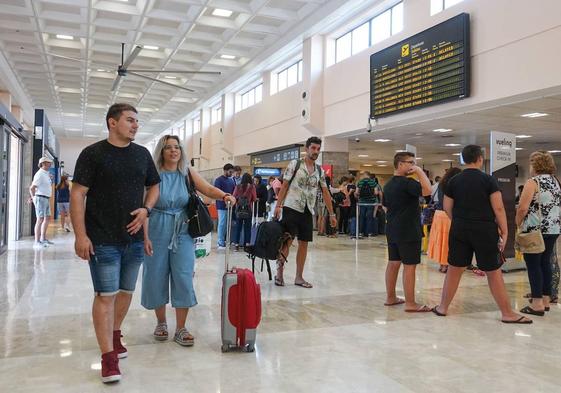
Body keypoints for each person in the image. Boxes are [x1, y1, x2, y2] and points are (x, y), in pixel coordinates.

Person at [70, 103, 161, 383]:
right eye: (130, 120)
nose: (135, 125)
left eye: (137, 121)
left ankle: (115, 332)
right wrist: (80, 235)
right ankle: (108, 357)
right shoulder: (93, 154)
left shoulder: (142, 154)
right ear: (112, 122)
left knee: (125, 291)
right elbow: (77, 195)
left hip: (133, 239)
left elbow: (153, 186)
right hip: (102, 238)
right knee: (105, 295)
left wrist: (146, 209)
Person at [142, 135, 236, 347]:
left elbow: (208, 189)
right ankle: (161, 322)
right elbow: (144, 205)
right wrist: (144, 236)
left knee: (183, 275)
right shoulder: (152, 174)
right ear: (161, 151)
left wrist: (225, 195)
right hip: (156, 227)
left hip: (182, 229)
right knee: (156, 275)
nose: (173, 151)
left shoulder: (187, 172)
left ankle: (181, 327)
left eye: (177, 147)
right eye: (168, 148)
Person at [432, 145, 531, 324]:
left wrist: (460, 220)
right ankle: (507, 313)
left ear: (463, 159)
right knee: (493, 271)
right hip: (484, 229)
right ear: (479, 159)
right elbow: (499, 208)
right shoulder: (488, 180)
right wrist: (505, 230)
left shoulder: (453, 181)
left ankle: (442, 307)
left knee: (454, 269)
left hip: (459, 228)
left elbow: (446, 206)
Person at [274, 136, 337, 288]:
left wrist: (332, 213)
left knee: (304, 243)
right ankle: (279, 273)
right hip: (291, 207)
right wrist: (278, 205)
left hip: (308, 209)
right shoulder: (295, 164)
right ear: (306, 149)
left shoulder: (319, 171)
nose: (315, 151)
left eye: (318, 149)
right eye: (313, 148)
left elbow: (325, 192)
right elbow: (284, 186)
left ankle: (299, 277)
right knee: (287, 241)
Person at [382, 152, 432, 312]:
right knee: (410, 266)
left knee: (393, 263)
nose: (413, 165)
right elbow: (428, 190)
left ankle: (390, 297)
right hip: (409, 229)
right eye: (411, 162)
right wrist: (419, 171)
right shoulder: (407, 183)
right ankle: (410, 303)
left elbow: (385, 206)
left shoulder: (388, 184)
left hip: (392, 228)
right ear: (400, 164)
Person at [515, 151, 561, 316]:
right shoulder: (556, 181)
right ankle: (546, 299)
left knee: (533, 265)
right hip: (553, 229)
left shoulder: (532, 182)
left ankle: (536, 304)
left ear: (535, 165)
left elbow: (522, 208)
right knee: (545, 263)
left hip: (535, 230)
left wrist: (517, 222)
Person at [427, 168, 462, 273]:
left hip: (438, 215)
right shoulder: (454, 185)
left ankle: (442, 265)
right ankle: (447, 264)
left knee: (440, 240)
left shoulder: (441, 185)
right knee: (448, 241)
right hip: (448, 215)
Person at [29, 156, 54, 248]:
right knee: (40, 219)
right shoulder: (39, 174)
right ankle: (37, 241)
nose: (50, 164)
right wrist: (34, 198)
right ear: (43, 163)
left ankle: (43, 238)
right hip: (40, 198)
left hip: (46, 198)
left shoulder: (46, 174)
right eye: (48, 162)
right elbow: (32, 188)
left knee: (47, 218)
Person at [214, 163, 236, 250]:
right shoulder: (218, 180)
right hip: (221, 206)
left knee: (228, 224)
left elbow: (234, 192)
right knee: (222, 224)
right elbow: (216, 193)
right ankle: (220, 242)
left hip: (230, 206)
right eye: (230, 172)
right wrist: (225, 202)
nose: (231, 174)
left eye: (232, 172)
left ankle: (227, 241)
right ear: (225, 170)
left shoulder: (231, 181)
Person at [233, 173, 257, 251]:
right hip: (248, 210)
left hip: (239, 210)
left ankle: (236, 245)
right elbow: (254, 198)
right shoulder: (252, 187)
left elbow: (234, 196)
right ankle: (247, 245)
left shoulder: (237, 186)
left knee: (238, 228)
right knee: (247, 228)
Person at [356, 171, 380, 238]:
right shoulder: (373, 182)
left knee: (361, 217)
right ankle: (369, 233)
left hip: (362, 202)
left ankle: (360, 232)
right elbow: (376, 193)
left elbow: (356, 193)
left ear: (364, 175)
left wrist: (360, 196)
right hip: (371, 202)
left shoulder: (360, 182)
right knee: (370, 218)